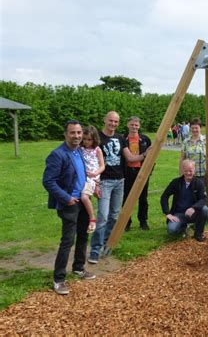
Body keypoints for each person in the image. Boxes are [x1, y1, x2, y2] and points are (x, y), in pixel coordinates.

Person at [42, 120, 96, 295]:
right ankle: (59, 279)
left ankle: (79, 268)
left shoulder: (79, 151)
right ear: (65, 134)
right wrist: (66, 198)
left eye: (79, 133)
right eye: (73, 133)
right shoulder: (57, 155)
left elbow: (82, 173)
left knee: (83, 236)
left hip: (83, 200)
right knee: (68, 240)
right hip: (69, 203)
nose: (77, 136)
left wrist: (92, 187)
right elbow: (48, 181)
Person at [88, 111, 148, 264]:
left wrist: (145, 154)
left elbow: (129, 158)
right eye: (111, 120)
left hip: (119, 181)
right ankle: (95, 250)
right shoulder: (98, 138)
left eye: (116, 121)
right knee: (102, 216)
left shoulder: (120, 138)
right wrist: (96, 183)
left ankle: (108, 244)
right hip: (105, 182)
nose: (113, 124)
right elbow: (92, 161)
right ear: (105, 120)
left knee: (114, 215)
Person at [161, 159, 208, 242]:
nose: (188, 173)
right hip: (178, 214)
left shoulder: (199, 183)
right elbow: (164, 196)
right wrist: (167, 213)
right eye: (185, 171)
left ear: (194, 170)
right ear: (182, 170)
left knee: (205, 210)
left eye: (190, 170)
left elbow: (203, 199)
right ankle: (183, 227)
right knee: (172, 230)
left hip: (193, 213)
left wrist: (193, 208)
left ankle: (198, 233)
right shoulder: (176, 182)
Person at [123, 116, 153, 231]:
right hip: (127, 172)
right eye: (132, 124)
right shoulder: (123, 139)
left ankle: (143, 221)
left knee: (143, 198)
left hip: (142, 172)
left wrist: (149, 171)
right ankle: (126, 222)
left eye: (136, 125)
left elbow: (152, 156)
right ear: (127, 125)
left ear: (139, 126)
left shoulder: (145, 139)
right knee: (126, 198)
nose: (134, 127)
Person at [80, 125, 105, 233]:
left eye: (89, 139)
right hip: (82, 177)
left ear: (94, 139)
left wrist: (95, 173)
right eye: (84, 139)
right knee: (85, 199)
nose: (86, 142)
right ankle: (86, 221)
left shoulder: (97, 150)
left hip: (92, 178)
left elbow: (102, 165)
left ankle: (92, 218)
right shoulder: (80, 149)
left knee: (84, 197)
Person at [181, 118, 206, 184]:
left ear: (200, 128)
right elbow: (182, 158)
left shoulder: (205, 141)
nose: (194, 130)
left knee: (201, 194)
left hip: (202, 175)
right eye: (192, 128)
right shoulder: (186, 141)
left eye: (196, 128)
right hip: (188, 175)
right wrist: (181, 173)